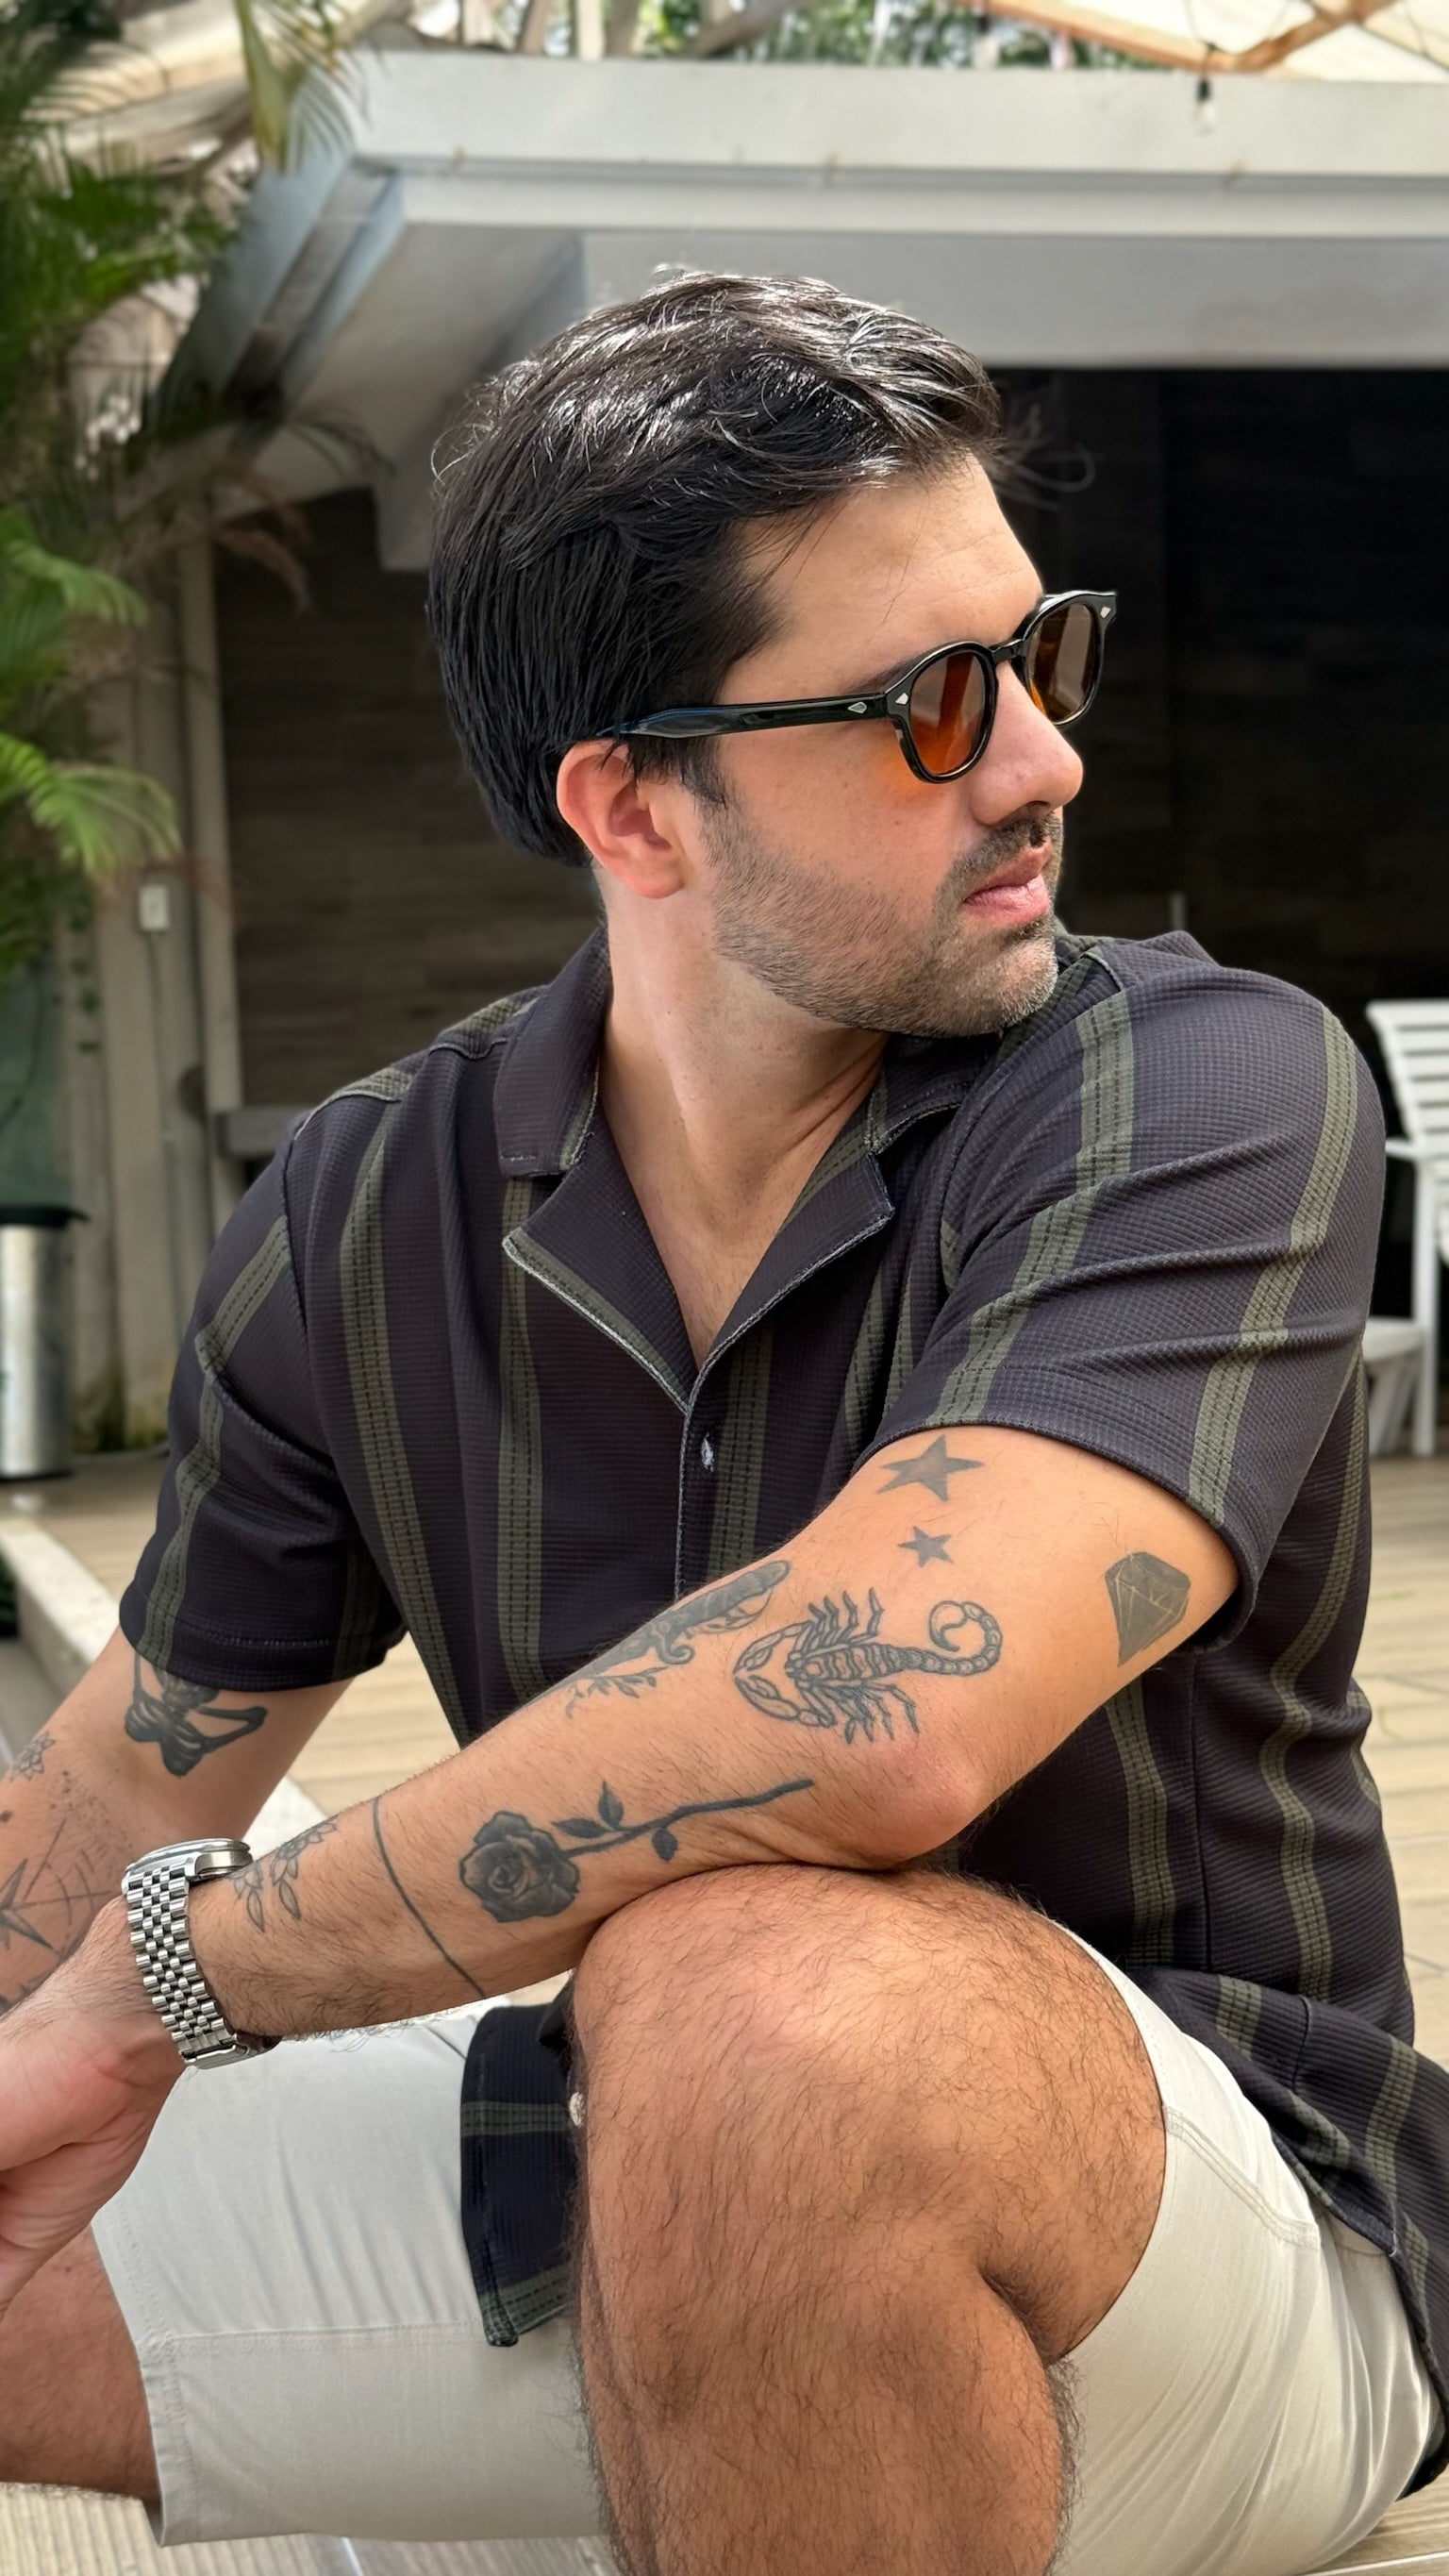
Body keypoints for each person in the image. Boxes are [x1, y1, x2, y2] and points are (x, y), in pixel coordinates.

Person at [0, 272, 1441, 2576]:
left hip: (1225, 2242)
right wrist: (70, 1989)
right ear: (634, 805)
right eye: (932, 706)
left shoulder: (1200, 1089)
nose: (1043, 762)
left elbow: (881, 1710)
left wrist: (184, 1978)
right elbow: (114, 1800)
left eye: (1042, 657)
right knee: (701, 2048)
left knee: (753, 2002)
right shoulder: (368, 1210)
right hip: (635, 2151)